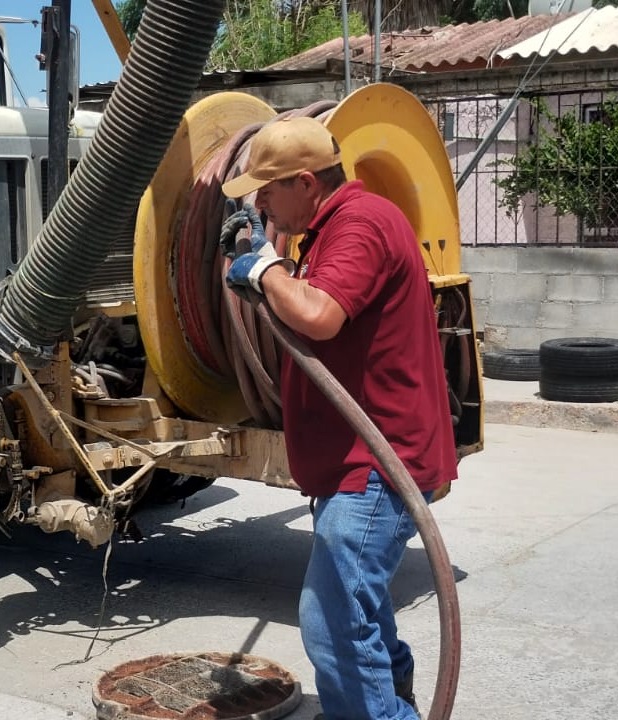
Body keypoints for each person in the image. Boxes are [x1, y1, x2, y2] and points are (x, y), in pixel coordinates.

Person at [219, 116, 458, 720]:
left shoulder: (360, 223)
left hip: (378, 464)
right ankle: (388, 695)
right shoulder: (328, 231)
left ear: (306, 182)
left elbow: (321, 315)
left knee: (329, 620)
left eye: (268, 190)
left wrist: (266, 268)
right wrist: (267, 268)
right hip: (356, 461)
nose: (260, 202)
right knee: (360, 606)